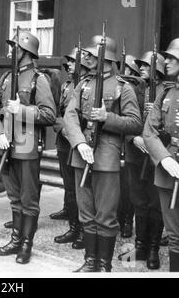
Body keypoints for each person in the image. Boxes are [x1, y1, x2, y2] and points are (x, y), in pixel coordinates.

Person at [64, 35, 142, 272]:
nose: (86, 57)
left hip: (107, 157)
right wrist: (79, 143)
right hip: (81, 155)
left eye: (91, 54)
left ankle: (104, 265)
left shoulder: (123, 87)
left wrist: (108, 118)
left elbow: (135, 123)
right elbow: (69, 115)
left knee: (105, 215)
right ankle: (90, 261)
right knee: (85, 211)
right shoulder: (83, 84)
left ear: (104, 57)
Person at [0, 31, 56, 264]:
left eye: (14, 48)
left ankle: (26, 244)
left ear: (26, 52)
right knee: (14, 196)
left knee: (29, 199)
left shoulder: (40, 79)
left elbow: (49, 114)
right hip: (5, 146)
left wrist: (23, 110)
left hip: (27, 148)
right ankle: (16, 239)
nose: (10, 52)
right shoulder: (7, 77)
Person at [117, 51, 166, 269]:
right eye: (141, 64)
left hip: (157, 157)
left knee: (155, 203)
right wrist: (132, 137)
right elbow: (124, 117)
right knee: (138, 201)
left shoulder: (167, 92)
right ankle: (140, 247)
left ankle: (154, 249)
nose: (141, 67)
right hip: (136, 154)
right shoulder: (133, 89)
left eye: (146, 64)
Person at [143, 38, 179, 272]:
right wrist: (164, 158)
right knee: (174, 233)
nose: (167, 62)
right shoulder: (165, 92)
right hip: (169, 168)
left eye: (173, 58)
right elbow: (149, 131)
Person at [53, 47, 90, 250]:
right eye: (68, 61)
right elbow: (57, 114)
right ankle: (74, 226)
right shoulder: (67, 84)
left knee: (82, 189)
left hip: (81, 144)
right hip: (64, 142)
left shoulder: (89, 86)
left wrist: (74, 134)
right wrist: (64, 130)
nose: (68, 65)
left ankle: (85, 230)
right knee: (69, 186)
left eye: (73, 61)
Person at [116, 54, 141, 239]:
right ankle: (118, 219)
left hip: (130, 145)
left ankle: (127, 222)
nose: (120, 71)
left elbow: (136, 119)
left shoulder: (135, 89)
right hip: (116, 141)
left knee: (128, 189)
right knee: (116, 188)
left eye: (124, 68)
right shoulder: (116, 86)